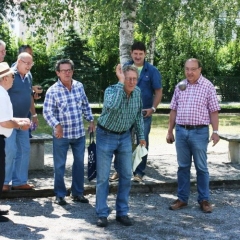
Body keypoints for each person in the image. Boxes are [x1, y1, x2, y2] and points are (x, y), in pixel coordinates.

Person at [166, 58, 220, 213]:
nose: (189, 72)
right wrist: (170, 130)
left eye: (193, 69)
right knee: (183, 167)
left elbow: (214, 111)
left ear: (200, 69)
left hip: (199, 132)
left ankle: (204, 200)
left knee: (201, 168)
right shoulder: (180, 86)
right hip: (181, 131)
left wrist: (215, 132)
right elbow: (173, 110)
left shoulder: (208, 86)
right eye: (187, 69)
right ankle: (182, 199)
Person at [96, 64, 146, 227]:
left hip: (125, 136)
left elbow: (138, 116)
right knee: (103, 178)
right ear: (122, 78)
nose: (132, 82)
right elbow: (113, 106)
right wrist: (120, 83)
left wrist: (141, 136)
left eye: (134, 79)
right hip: (105, 135)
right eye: (128, 78)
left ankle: (122, 212)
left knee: (126, 175)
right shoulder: (111, 90)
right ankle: (102, 214)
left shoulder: (137, 93)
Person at [43, 59, 95, 206]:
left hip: (78, 133)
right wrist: (56, 125)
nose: (67, 73)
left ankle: (77, 193)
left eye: (69, 70)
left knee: (79, 163)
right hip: (61, 135)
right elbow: (47, 112)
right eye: (63, 70)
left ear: (72, 71)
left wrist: (90, 120)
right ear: (57, 73)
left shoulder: (79, 86)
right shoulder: (53, 90)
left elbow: (85, 105)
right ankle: (59, 195)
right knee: (59, 165)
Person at [110, 41, 162, 183]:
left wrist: (153, 108)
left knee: (142, 142)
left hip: (143, 114)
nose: (138, 56)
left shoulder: (152, 71)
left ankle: (139, 172)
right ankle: (119, 171)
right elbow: (119, 88)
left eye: (141, 53)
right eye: (135, 53)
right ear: (131, 54)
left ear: (145, 54)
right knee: (121, 141)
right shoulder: (125, 68)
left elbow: (158, 91)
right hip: (124, 114)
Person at [3, 52, 37, 192]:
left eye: (31, 63)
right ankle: (4, 182)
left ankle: (19, 182)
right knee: (9, 151)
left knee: (24, 150)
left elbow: (29, 96)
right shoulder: (10, 75)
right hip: (9, 121)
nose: (29, 66)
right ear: (18, 61)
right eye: (26, 63)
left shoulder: (28, 76)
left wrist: (34, 114)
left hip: (24, 120)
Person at [0, 62, 30, 222]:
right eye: (11, 76)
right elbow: (4, 122)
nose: (13, 78)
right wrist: (19, 123)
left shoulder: (2, 92)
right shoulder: (1, 94)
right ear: (4, 78)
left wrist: (19, 120)